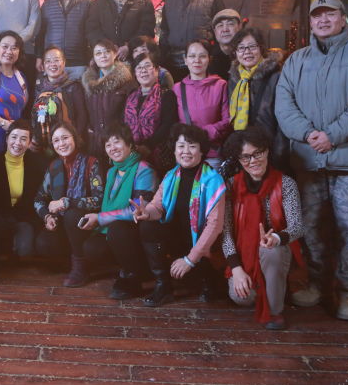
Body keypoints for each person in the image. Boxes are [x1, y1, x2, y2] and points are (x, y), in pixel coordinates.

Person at [275, 0, 348, 321]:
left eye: (330, 14)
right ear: (310, 22)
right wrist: (308, 133)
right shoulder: (297, 61)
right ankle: (317, 285)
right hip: (308, 160)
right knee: (310, 227)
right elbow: (284, 105)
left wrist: (332, 136)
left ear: (342, 18)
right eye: (317, 15)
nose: (323, 20)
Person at [133, 124, 227, 307]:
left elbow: (215, 226)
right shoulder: (171, 176)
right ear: (175, 150)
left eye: (192, 146)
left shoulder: (213, 180)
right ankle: (163, 286)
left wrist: (190, 259)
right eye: (181, 146)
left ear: (202, 151)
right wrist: (146, 212)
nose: (186, 151)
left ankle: (207, 280)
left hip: (203, 249)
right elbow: (157, 207)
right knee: (147, 227)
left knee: (205, 281)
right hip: (178, 242)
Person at [221, 127, 304, 330]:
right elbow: (226, 232)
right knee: (242, 298)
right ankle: (271, 286)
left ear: (267, 151)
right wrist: (236, 269)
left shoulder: (286, 183)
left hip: (277, 249)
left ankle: (274, 311)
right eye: (245, 157)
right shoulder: (230, 186)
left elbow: (297, 226)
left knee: (271, 251)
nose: (253, 161)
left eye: (257, 153)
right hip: (244, 256)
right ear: (239, 160)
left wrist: (277, 238)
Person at [79, 123, 159, 300]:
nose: (112, 148)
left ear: (129, 144)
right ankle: (128, 267)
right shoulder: (112, 172)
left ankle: (133, 277)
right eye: (108, 144)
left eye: (117, 142)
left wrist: (100, 218)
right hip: (117, 228)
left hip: (139, 228)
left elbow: (137, 211)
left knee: (118, 231)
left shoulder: (144, 169)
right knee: (91, 248)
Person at [34, 122, 105, 287]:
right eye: (56, 140)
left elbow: (99, 199)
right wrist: (47, 216)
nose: (61, 144)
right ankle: (68, 262)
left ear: (75, 138)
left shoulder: (91, 163)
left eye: (65, 138)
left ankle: (80, 268)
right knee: (43, 243)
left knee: (72, 215)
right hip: (62, 225)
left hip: (86, 225)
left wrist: (67, 202)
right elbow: (38, 199)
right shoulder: (54, 166)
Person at [0, 120, 46, 276]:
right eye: (14, 137)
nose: (17, 143)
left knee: (25, 250)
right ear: (7, 139)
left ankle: (9, 244)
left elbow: (39, 198)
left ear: (29, 143)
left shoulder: (37, 165)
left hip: (22, 219)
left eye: (23, 139)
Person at [228, 28, 288, 170]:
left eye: (252, 46)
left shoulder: (277, 77)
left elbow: (284, 120)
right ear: (235, 53)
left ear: (261, 48)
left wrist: (279, 154)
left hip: (271, 151)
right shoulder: (234, 80)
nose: (247, 52)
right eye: (241, 48)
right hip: (244, 152)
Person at [160, 0, 225, 80]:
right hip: (175, 67)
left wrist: (214, 59)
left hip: (204, 66)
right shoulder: (169, 3)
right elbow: (164, 36)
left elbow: (222, 33)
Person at [173, 39, 231, 168]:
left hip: (211, 154)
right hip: (186, 154)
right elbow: (174, 123)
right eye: (192, 56)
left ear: (209, 59)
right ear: (185, 60)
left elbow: (228, 120)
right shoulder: (177, 88)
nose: (197, 60)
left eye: (202, 56)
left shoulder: (220, 85)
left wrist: (202, 133)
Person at [86, 0, 155, 61]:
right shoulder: (98, 2)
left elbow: (147, 30)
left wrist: (129, 46)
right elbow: (92, 30)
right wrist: (107, 46)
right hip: (107, 58)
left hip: (136, 58)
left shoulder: (144, 2)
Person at [82, 39, 137, 163]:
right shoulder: (89, 83)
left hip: (118, 142)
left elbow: (130, 116)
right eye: (98, 53)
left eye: (107, 51)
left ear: (115, 54)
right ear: (94, 58)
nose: (103, 56)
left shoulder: (127, 81)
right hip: (95, 142)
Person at [124, 52, 177, 175]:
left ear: (157, 70)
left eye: (147, 66)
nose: (143, 70)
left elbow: (168, 125)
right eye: (139, 67)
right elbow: (124, 124)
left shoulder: (167, 94)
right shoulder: (131, 96)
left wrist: (147, 146)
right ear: (135, 73)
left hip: (160, 155)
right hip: (133, 155)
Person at [37, 0, 93, 80]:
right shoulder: (48, 4)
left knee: (78, 91)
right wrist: (39, 56)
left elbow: (92, 32)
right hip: (53, 63)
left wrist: (92, 56)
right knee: (54, 92)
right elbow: (40, 33)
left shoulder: (88, 2)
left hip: (80, 62)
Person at [31, 46, 88, 155]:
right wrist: (35, 136)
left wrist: (75, 138)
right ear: (43, 65)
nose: (52, 64)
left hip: (68, 143)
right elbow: (36, 114)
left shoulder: (74, 86)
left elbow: (82, 116)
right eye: (48, 61)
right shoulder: (39, 87)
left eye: (56, 60)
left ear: (64, 63)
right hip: (45, 142)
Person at [208, 9, 242, 80]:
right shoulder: (207, 59)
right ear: (215, 31)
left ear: (239, 27)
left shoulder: (247, 55)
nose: (225, 30)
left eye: (230, 24)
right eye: (220, 25)